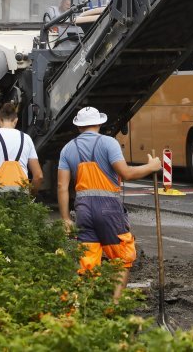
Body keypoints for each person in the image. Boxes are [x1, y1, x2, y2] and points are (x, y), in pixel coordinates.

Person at [57, 106, 161, 301]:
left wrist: (65, 218)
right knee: (122, 258)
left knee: (88, 262)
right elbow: (126, 173)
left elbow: (62, 186)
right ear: (99, 123)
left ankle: (88, 307)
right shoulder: (108, 143)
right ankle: (113, 305)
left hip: (83, 210)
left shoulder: (68, 148)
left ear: (79, 127)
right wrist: (151, 166)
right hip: (109, 208)